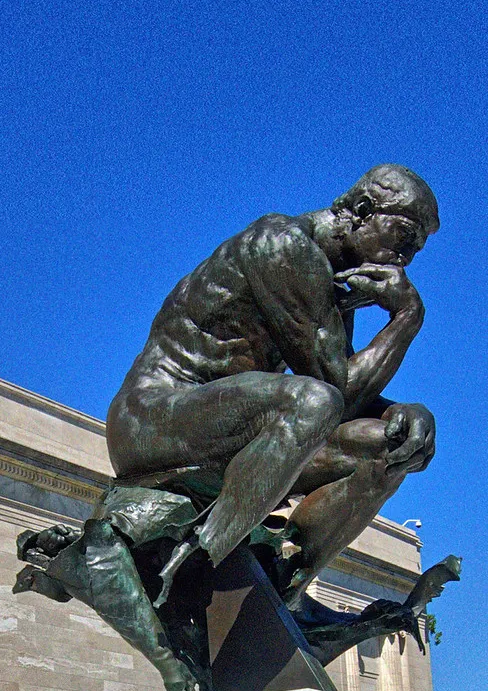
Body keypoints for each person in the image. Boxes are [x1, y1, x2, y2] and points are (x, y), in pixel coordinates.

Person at [106, 164, 439, 603]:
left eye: (416, 248)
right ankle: (202, 564)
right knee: (314, 401)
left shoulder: (332, 286)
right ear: (362, 210)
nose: (405, 258)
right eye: (403, 237)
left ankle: (282, 590)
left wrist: (401, 414)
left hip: (232, 430)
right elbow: (335, 390)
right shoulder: (284, 244)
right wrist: (407, 318)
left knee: (392, 445)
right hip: (152, 417)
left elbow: (345, 391)